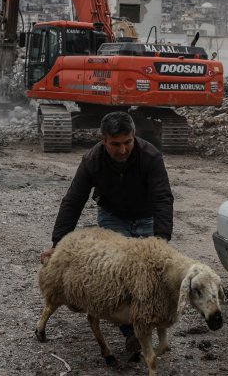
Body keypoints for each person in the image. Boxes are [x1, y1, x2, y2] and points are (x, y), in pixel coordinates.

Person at [42, 111, 174, 355]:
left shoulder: (150, 156)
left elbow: (163, 198)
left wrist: (161, 239)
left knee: (149, 273)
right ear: (103, 140)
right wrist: (58, 244)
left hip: (146, 216)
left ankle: (149, 319)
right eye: (115, 144)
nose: (122, 150)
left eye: (127, 142)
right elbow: (73, 200)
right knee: (119, 275)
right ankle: (132, 334)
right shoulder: (92, 160)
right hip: (113, 216)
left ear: (133, 137)